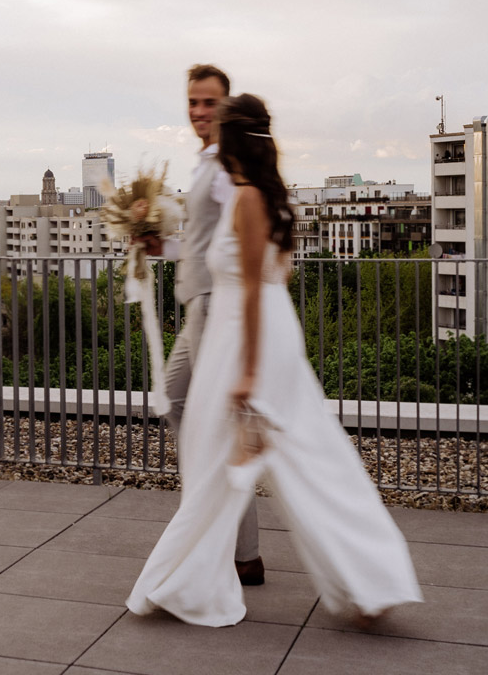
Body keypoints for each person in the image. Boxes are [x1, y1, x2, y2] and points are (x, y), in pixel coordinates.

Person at [126, 93, 422, 627]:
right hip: (254, 335)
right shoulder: (262, 196)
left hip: (246, 339)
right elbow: (249, 272)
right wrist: (160, 246)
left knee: (230, 461)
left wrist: (248, 372)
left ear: (233, 139)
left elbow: (253, 290)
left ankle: (185, 583)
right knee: (300, 457)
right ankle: (371, 581)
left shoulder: (247, 199)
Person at [136, 64, 262, 586]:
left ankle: (241, 550)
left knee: (211, 421)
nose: (199, 111)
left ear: (226, 107)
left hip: (214, 305)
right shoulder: (206, 161)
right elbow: (203, 243)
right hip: (198, 305)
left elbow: (240, 240)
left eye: (209, 102)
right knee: (175, 401)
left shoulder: (227, 167)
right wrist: (158, 245)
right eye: (193, 101)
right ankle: (223, 525)